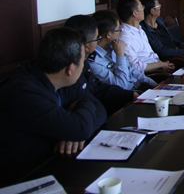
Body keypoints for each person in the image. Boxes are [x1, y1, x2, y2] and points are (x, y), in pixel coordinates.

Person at [0, 28, 106, 185]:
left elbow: (99, 109)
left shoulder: (56, 77)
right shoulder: (24, 93)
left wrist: (73, 129)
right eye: (83, 61)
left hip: (52, 165)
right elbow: (82, 127)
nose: (83, 66)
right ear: (70, 69)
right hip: (20, 179)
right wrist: (75, 126)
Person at [64, 15, 138, 114]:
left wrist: (130, 95)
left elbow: (98, 88)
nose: (99, 40)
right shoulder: (89, 63)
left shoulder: (85, 63)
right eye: (97, 38)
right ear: (86, 47)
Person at [91, 10, 158, 91]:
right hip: (129, 94)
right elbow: (121, 85)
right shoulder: (94, 62)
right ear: (108, 34)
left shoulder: (113, 47)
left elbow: (133, 71)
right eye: (118, 29)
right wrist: (120, 55)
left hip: (139, 86)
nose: (121, 31)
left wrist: (155, 85)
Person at [117, 0, 175, 74]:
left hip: (158, 68)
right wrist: (160, 64)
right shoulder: (125, 37)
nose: (144, 9)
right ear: (135, 13)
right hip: (150, 75)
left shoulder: (139, 29)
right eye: (141, 7)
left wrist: (163, 64)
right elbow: (135, 67)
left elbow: (151, 54)